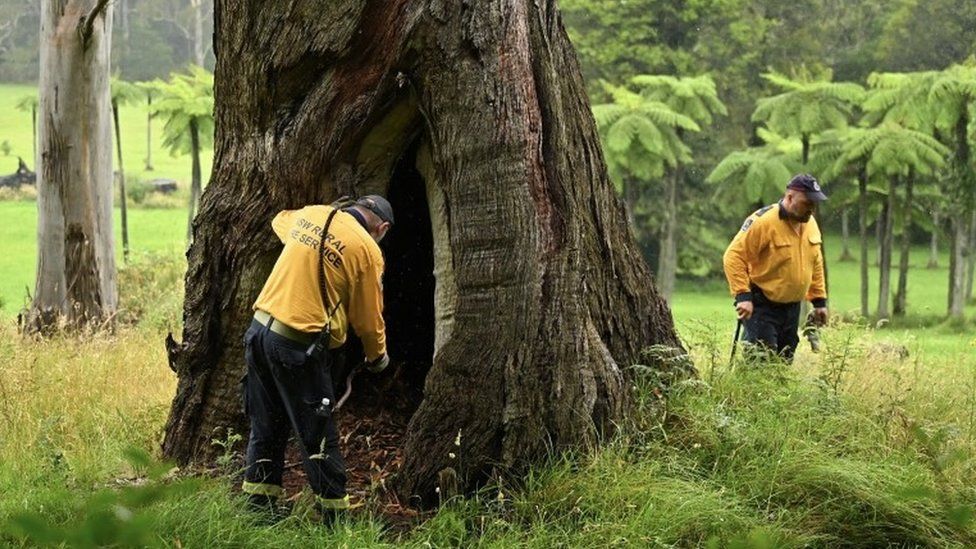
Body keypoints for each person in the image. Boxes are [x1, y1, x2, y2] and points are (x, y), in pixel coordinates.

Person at [240, 195, 394, 523]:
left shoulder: (310, 215)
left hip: (258, 334)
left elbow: (279, 220)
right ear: (381, 228)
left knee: (266, 426)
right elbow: (368, 319)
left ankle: (257, 513)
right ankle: (335, 525)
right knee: (319, 436)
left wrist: (312, 234)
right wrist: (377, 356)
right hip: (296, 347)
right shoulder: (368, 251)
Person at [723, 174, 829, 362]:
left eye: (814, 204)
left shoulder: (810, 223)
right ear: (790, 198)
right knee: (762, 359)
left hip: (792, 308)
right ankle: (747, 390)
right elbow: (734, 256)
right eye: (807, 203)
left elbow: (815, 262)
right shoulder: (763, 221)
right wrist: (743, 296)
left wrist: (819, 301)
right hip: (762, 305)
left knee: (784, 360)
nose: (812, 209)